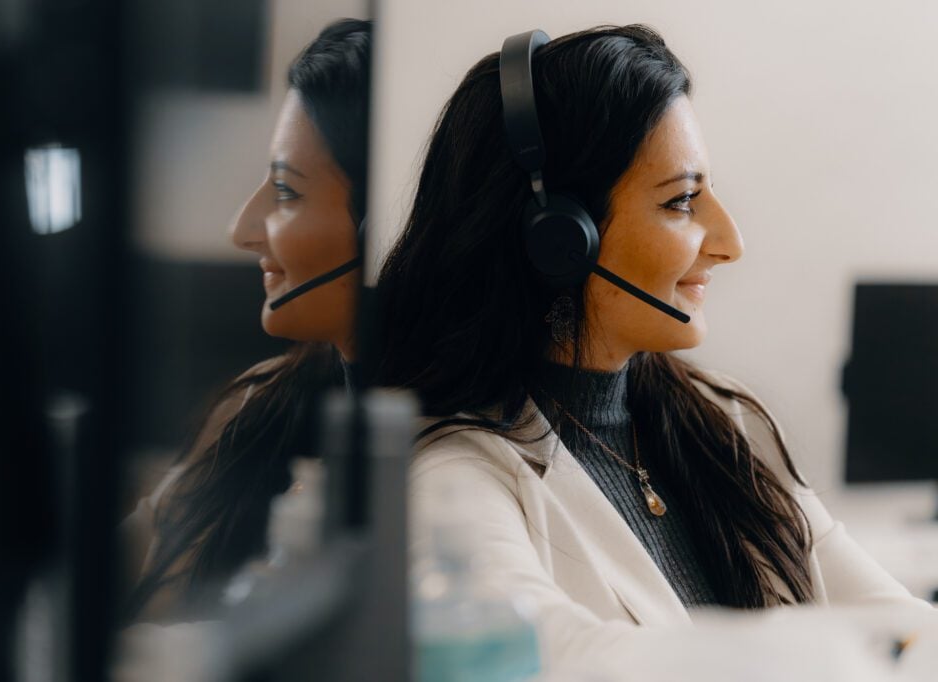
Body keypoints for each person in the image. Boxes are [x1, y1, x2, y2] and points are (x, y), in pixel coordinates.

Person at [374, 24, 935, 673]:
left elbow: (900, 624)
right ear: (557, 239)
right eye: (682, 201)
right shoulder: (452, 473)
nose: (730, 241)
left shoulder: (723, 423)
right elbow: (549, 657)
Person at [120, 18, 372, 623]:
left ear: (384, 222)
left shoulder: (452, 462)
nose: (241, 229)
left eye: (286, 192)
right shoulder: (260, 405)